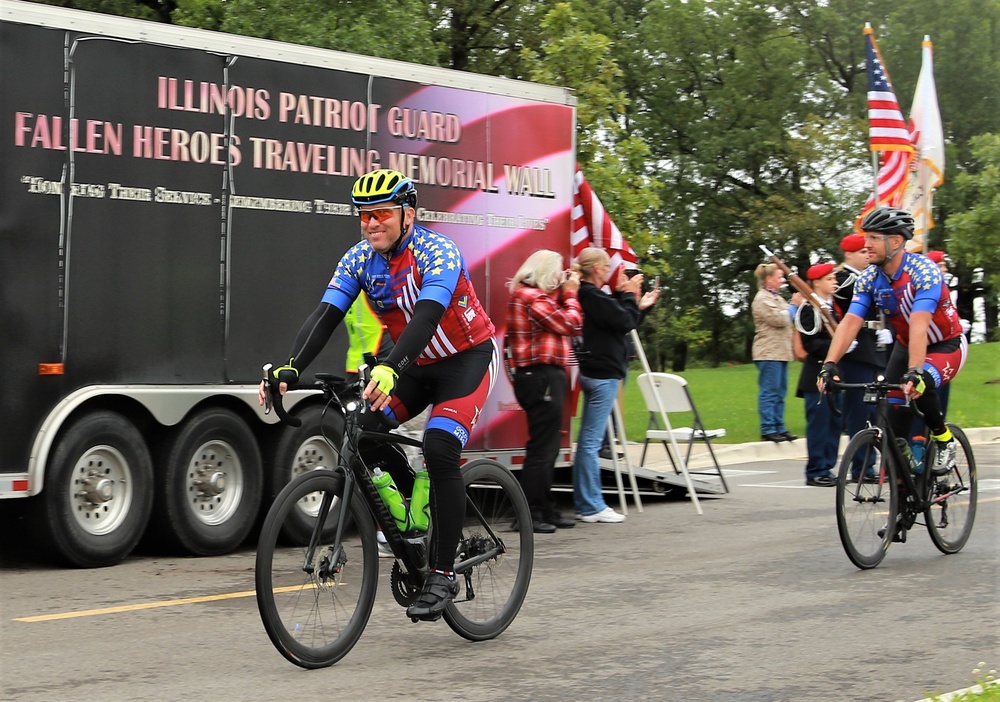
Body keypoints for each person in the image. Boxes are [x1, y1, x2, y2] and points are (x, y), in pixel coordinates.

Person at [259, 168, 498, 621]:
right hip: (416, 366)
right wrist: (292, 366)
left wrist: (390, 368)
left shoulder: (438, 252)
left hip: (466, 360)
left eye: (382, 213)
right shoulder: (358, 259)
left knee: (439, 445)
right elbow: (325, 315)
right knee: (363, 432)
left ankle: (443, 572)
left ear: (408, 214)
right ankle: (417, 519)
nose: (371, 223)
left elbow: (427, 318)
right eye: (364, 215)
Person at [818, 207, 967, 505]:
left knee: (921, 381)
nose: (866, 245)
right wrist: (829, 364)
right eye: (865, 237)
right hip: (905, 343)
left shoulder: (923, 272)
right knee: (893, 422)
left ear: (896, 241)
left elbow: (920, 324)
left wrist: (914, 371)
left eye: (874, 237)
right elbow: (850, 321)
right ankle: (904, 493)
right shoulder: (870, 278)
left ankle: (943, 438)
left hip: (944, 345)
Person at [572, 247, 658, 523]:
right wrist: (630, 294)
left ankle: (589, 501)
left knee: (590, 440)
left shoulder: (594, 296)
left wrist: (637, 303)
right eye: (606, 265)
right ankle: (591, 505)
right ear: (596, 268)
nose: (610, 269)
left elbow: (623, 321)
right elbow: (622, 320)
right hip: (601, 374)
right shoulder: (590, 294)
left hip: (599, 372)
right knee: (591, 442)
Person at [505, 250, 583, 533]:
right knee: (541, 447)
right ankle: (531, 513)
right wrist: (572, 294)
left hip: (540, 376)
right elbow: (570, 323)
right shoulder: (531, 297)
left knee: (547, 446)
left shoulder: (534, 296)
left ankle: (545, 509)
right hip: (541, 375)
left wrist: (563, 293)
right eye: (556, 272)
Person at [833, 234, 892, 478]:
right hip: (857, 354)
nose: (867, 256)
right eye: (861, 253)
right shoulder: (843, 279)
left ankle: (873, 464)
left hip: (875, 351)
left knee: (876, 412)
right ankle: (861, 466)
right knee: (859, 412)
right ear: (848, 255)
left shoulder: (869, 277)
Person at [794, 263, 846, 486]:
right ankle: (816, 470)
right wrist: (838, 344)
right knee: (819, 426)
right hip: (816, 374)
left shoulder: (831, 307)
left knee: (834, 424)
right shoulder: (809, 309)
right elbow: (811, 343)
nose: (834, 282)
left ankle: (827, 467)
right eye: (829, 279)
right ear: (816, 283)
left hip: (835, 374)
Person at [751, 262, 805, 442]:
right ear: (768, 279)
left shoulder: (778, 299)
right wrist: (793, 305)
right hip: (768, 352)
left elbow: (791, 317)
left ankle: (779, 426)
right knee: (770, 391)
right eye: (779, 277)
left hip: (780, 352)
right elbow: (779, 319)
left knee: (780, 391)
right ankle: (768, 428)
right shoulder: (762, 299)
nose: (782, 281)